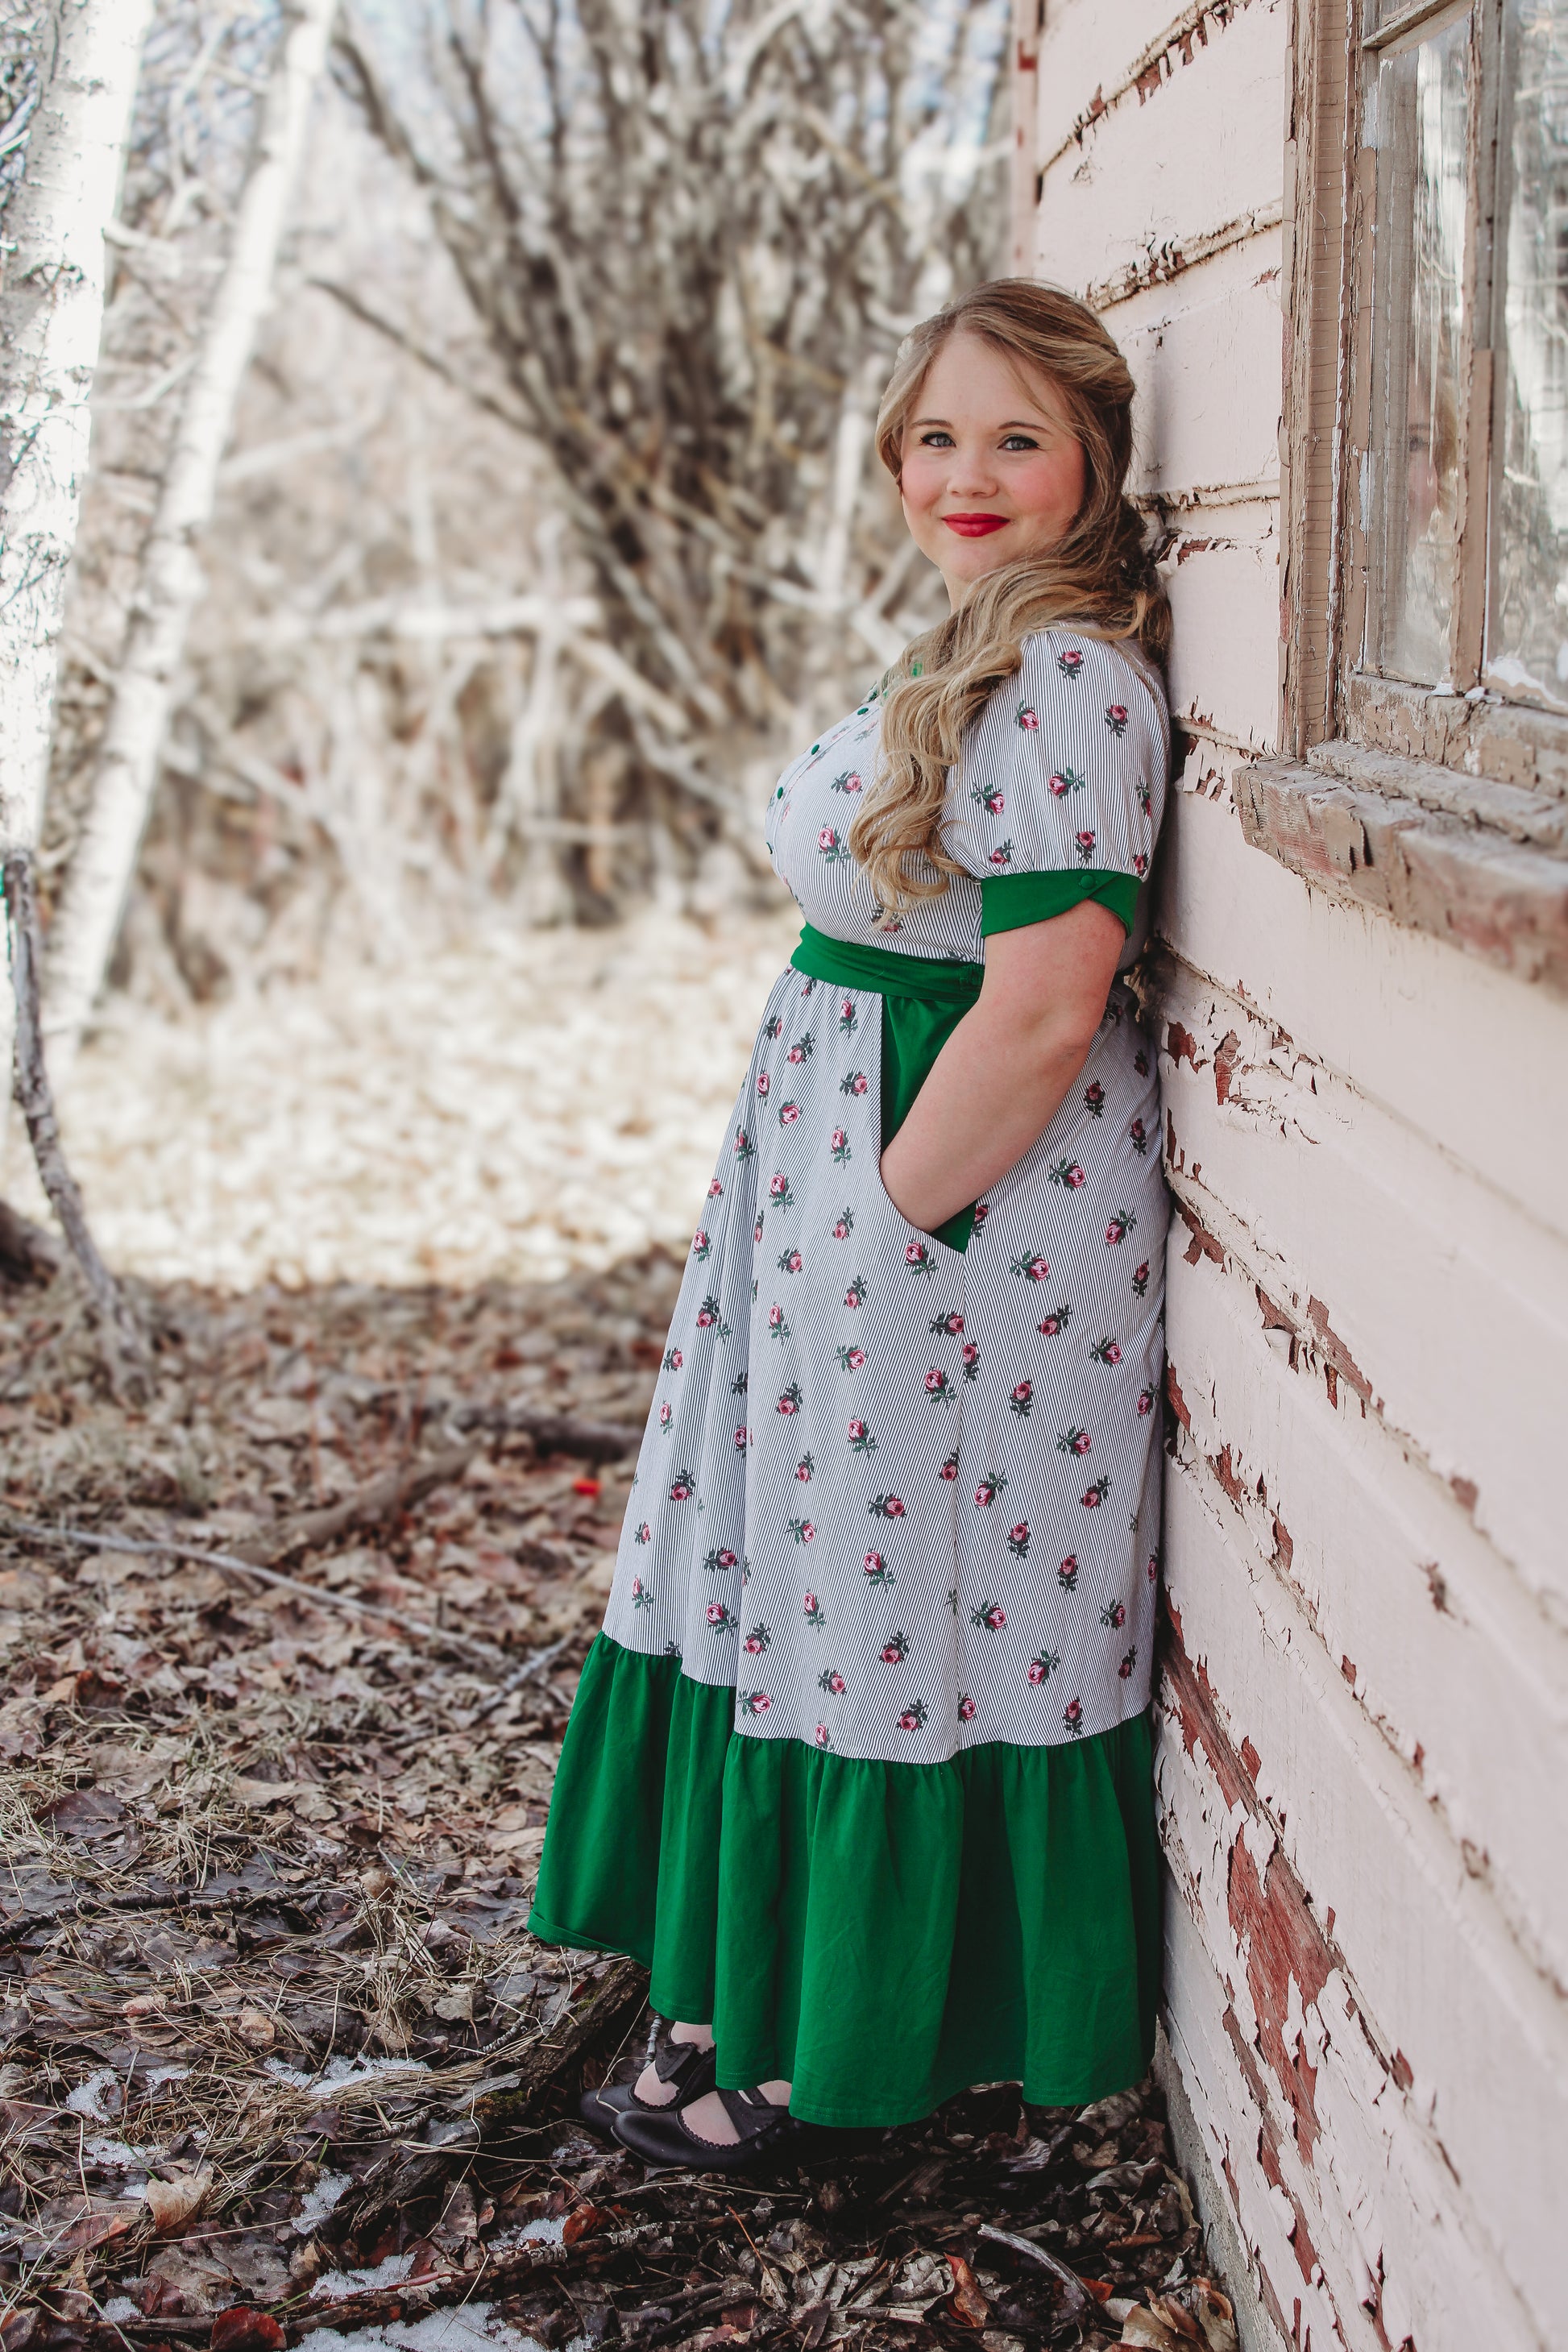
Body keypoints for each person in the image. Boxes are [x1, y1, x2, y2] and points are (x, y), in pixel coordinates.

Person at [529, 278, 1172, 2169]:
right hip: (859, 1186)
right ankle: (755, 1996)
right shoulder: (986, 643)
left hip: (957, 1217)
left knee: (903, 1617)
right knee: (812, 1602)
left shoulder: (1066, 680)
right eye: (933, 437)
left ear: (1097, 464)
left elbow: (1050, 999)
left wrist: (880, 1223)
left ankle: (844, 2056)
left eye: (1016, 439)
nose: (962, 474)